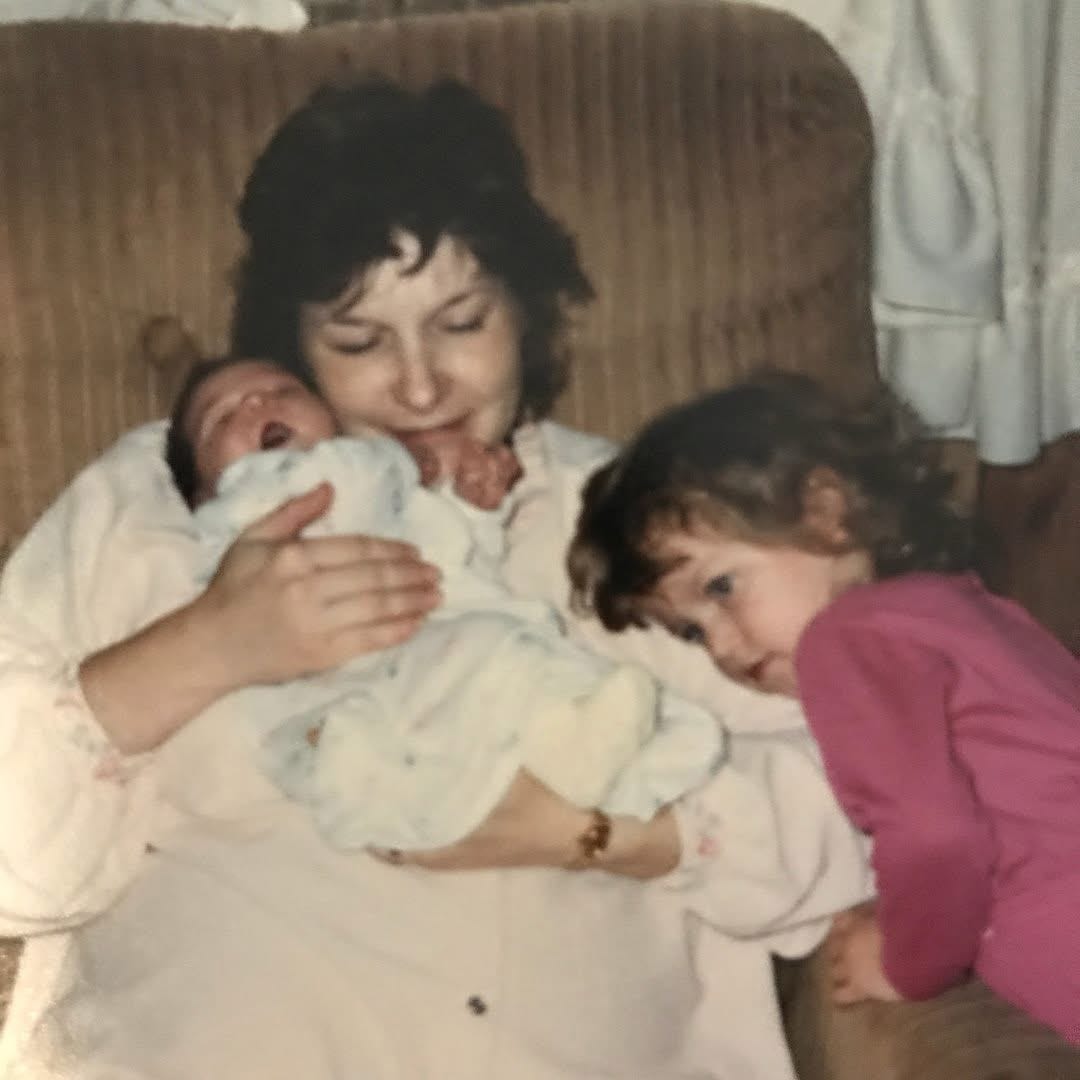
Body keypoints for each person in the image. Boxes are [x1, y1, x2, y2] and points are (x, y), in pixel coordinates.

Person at [0, 80, 871, 1079]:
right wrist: (206, 646)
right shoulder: (158, 489)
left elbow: (867, 800)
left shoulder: (652, 520)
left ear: (526, 316)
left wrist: (601, 833)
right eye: (358, 340)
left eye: (461, 322)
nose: (420, 387)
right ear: (290, 344)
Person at [568, 369, 1080, 1044]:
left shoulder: (843, 642)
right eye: (690, 632)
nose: (720, 645)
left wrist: (905, 962)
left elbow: (936, 835)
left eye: (720, 588)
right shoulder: (963, 608)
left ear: (826, 511)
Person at [164, 353, 721, 851]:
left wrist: (473, 508)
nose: (258, 404)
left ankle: (580, 747)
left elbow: (449, 559)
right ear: (200, 492)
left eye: (284, 391)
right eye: (222, 417)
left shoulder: (388, 483)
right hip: (343, 679)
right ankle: (560, 755)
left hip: (431, 629)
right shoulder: (232, 519)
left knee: (509, 657)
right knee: (454, 679)